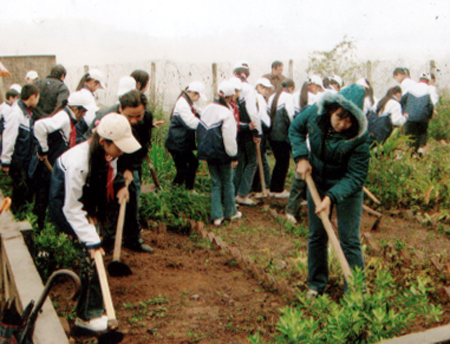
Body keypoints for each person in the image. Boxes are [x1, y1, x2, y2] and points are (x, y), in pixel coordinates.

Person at [48, 113, 140, 334]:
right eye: (119, 146)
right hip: (65, 203)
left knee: (95, 251)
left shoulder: (107, 154)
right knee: (91, 256)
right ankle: (86, 319)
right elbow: (69, 207)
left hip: (84, 201)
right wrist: (90, 239)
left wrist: (119, 187)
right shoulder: (79, 163)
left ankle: (91, 310)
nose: (122, 151)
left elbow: (105, 178)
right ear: (103, 141)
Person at [290, 83, 370, 297]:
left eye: (349, 120)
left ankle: (355, 293)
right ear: (331, 109)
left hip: (347, 187)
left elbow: (356, 176)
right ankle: (316, 285)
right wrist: (301, 157)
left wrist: (331, 197)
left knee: (349, 240)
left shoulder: (359, 137)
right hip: (317, 180)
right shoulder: (313, 115)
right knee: (317, 235)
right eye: (339, 117)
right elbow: (295, 129)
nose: (343, 124)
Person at [31, 91, 99, 229]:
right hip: (47, 164)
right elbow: (39, 126)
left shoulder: (69, 119)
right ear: (75, 108)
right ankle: (41, 231)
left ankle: (50, 228)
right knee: (43, 199)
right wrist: (43, 149)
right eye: (83, 111)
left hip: (56, 163)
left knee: (50, 198)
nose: (84, 115)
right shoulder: (62, 117)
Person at [197, 81, 241, 226]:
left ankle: (217, 216)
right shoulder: (227, 113)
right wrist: (233, 155)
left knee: (215, 183)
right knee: (228, 182)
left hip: (208, 153)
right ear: (229, 97)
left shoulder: (207, 109)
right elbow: (229, 138)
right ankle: (231, 212)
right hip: (223, 154)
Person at [1, 84, 40, 213]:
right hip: (17, 159)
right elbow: (9, 137)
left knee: (25, 187)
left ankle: (21, 212)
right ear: (33, 96)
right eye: (38, 97)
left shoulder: (27, 113)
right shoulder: (16, 113)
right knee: (20, 188)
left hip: (25, 158)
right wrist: (5, 160)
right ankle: (16, 214)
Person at [165, 81, 204, 191]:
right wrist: (206, 126)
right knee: (184, 168)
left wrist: (208, 116)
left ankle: (186, 189)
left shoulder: (188, 101)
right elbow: (191, 122)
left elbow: (200, 111)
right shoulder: (182, 103)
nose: (198, 98)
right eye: (198, 95)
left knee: (191, 163)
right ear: (192, 93)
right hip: (176, 143)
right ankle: (176, 191)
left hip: (181, 142)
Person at [233, 61, 262, 206]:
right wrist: (258, 131)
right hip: (247, 130)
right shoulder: (248, 88)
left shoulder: (230, 86)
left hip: (235, 131)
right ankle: (242, 194)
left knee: (239, 162)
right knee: (252, 161)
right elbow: (253, 111)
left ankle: (234, 192)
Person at [267, 78, 295, 198]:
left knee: (279, 160)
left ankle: (273, 187)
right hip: (282, 133)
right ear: (291, 88)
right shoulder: (288, 97)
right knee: (283, 161)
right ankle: (278, 189)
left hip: (272, 133)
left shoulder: (273, 96)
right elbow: (290, 114)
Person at [252, 77, 273, 198]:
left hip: (260, 129)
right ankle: (263, 185)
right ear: (259, 87)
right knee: (261, 159)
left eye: (268, 89)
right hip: (261, 130)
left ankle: (260, 185)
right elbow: (261, 116)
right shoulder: (258, 98)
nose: (266, 90)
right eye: (264, 88)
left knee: (260, 158)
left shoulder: (261, 98)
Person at [402, 73, 434, 154]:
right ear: (428, 81)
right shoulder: (429, 89)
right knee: (422, 133)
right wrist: (429, 117)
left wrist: (404, 112)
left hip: (409, 117)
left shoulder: (410, 88)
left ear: (419, 79)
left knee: (410, 136)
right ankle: (421, 147)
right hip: (423, 118)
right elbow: (430, 106)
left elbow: (402, 101)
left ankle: (409, 151)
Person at [75, 69, 106, 140]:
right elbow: (89, 117)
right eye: (98, 86)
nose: (97, 88)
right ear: (95, 82)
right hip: (83, 127)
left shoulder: (82, 91)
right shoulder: (86, 94)